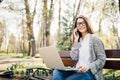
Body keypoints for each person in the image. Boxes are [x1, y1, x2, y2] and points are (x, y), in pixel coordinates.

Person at [53, 15, 106, 80]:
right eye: (78, 24)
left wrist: (88, 66)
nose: (80, 25)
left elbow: (102, 59)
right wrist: (76, 40)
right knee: (57, 72)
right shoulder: (78, 40)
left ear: (87, 24)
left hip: (89, 73)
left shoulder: (94, 39)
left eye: (83, 23)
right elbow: (74, 57)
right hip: (76, 70)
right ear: (76, 27)